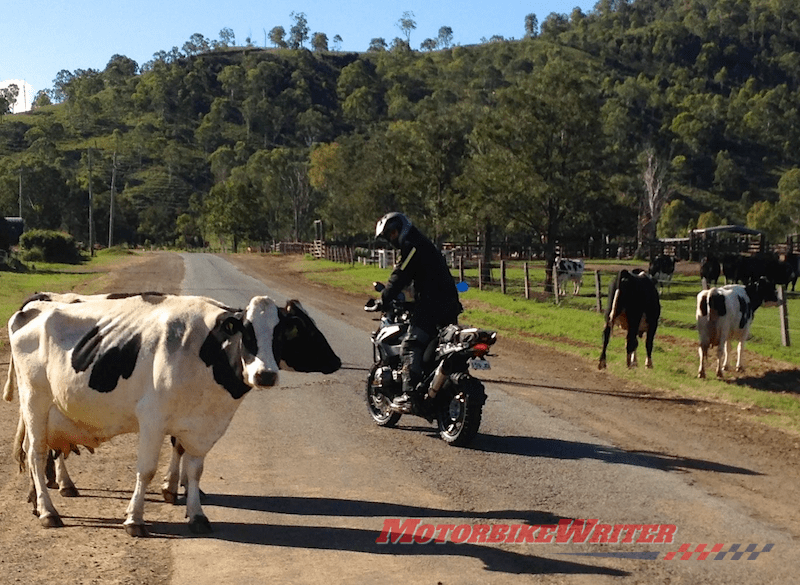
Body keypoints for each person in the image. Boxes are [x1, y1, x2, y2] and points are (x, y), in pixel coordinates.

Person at [374, 212, 462, 408]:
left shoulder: (412, 245)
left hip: (432, 305)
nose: (392, 238)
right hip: (448, 303)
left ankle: (410, 393)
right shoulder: (422, 245)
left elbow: (400, 275)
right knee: (436, 347)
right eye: (389, 235)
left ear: (402, 227)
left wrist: (385, 298)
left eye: (393, 232)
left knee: (411, 344)